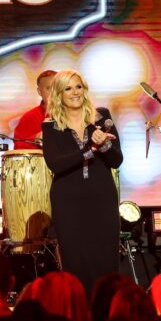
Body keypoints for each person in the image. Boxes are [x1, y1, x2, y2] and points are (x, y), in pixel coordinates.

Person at [41, 70, 122, 295]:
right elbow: (56, 164)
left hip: (102, 199)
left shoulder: (101, 118)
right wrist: (90, 149)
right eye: (68, 88)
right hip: (69, 204)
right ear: (59, 94)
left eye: (78, 87)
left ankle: (105, 310)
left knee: (105, 260)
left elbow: (116, 160)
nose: (75, 92)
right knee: (75, 262)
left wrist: (104, 145)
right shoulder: (51, 126)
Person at [13, 70, 56, 149]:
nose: (54, 92)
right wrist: (37, 138)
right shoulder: (28, 117)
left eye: (57, 87)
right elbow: (17, 147)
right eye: (49, 88)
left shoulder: (73, 113)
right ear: (39, 91)